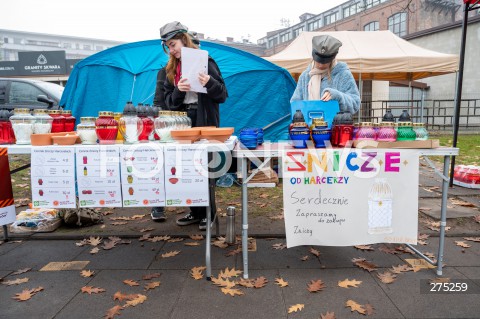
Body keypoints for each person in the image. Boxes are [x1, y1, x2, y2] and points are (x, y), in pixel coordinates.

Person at [159, 21, 228, 230]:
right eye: (168, 47)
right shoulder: (170, 69)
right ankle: (195, 212)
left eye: (173, 44)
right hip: (183, 121)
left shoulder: (207, 61)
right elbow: (167, 103)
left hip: (204, 118)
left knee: (205, 168)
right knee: (186, 168)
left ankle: (210, 214)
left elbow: (223, 95)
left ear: (184, 39)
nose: (171, 50)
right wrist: (178, 90)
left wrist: (209, 82)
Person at [290, 35, 360, 114]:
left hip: (335, 125)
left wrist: (337, 96)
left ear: (333, 58)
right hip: (309, 125)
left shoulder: (343, 74)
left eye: (325, 62)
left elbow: (355, 104)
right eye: (318, 61)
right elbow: (295, 103)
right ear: (313, 56)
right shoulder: (305, 76)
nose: (320, 65)